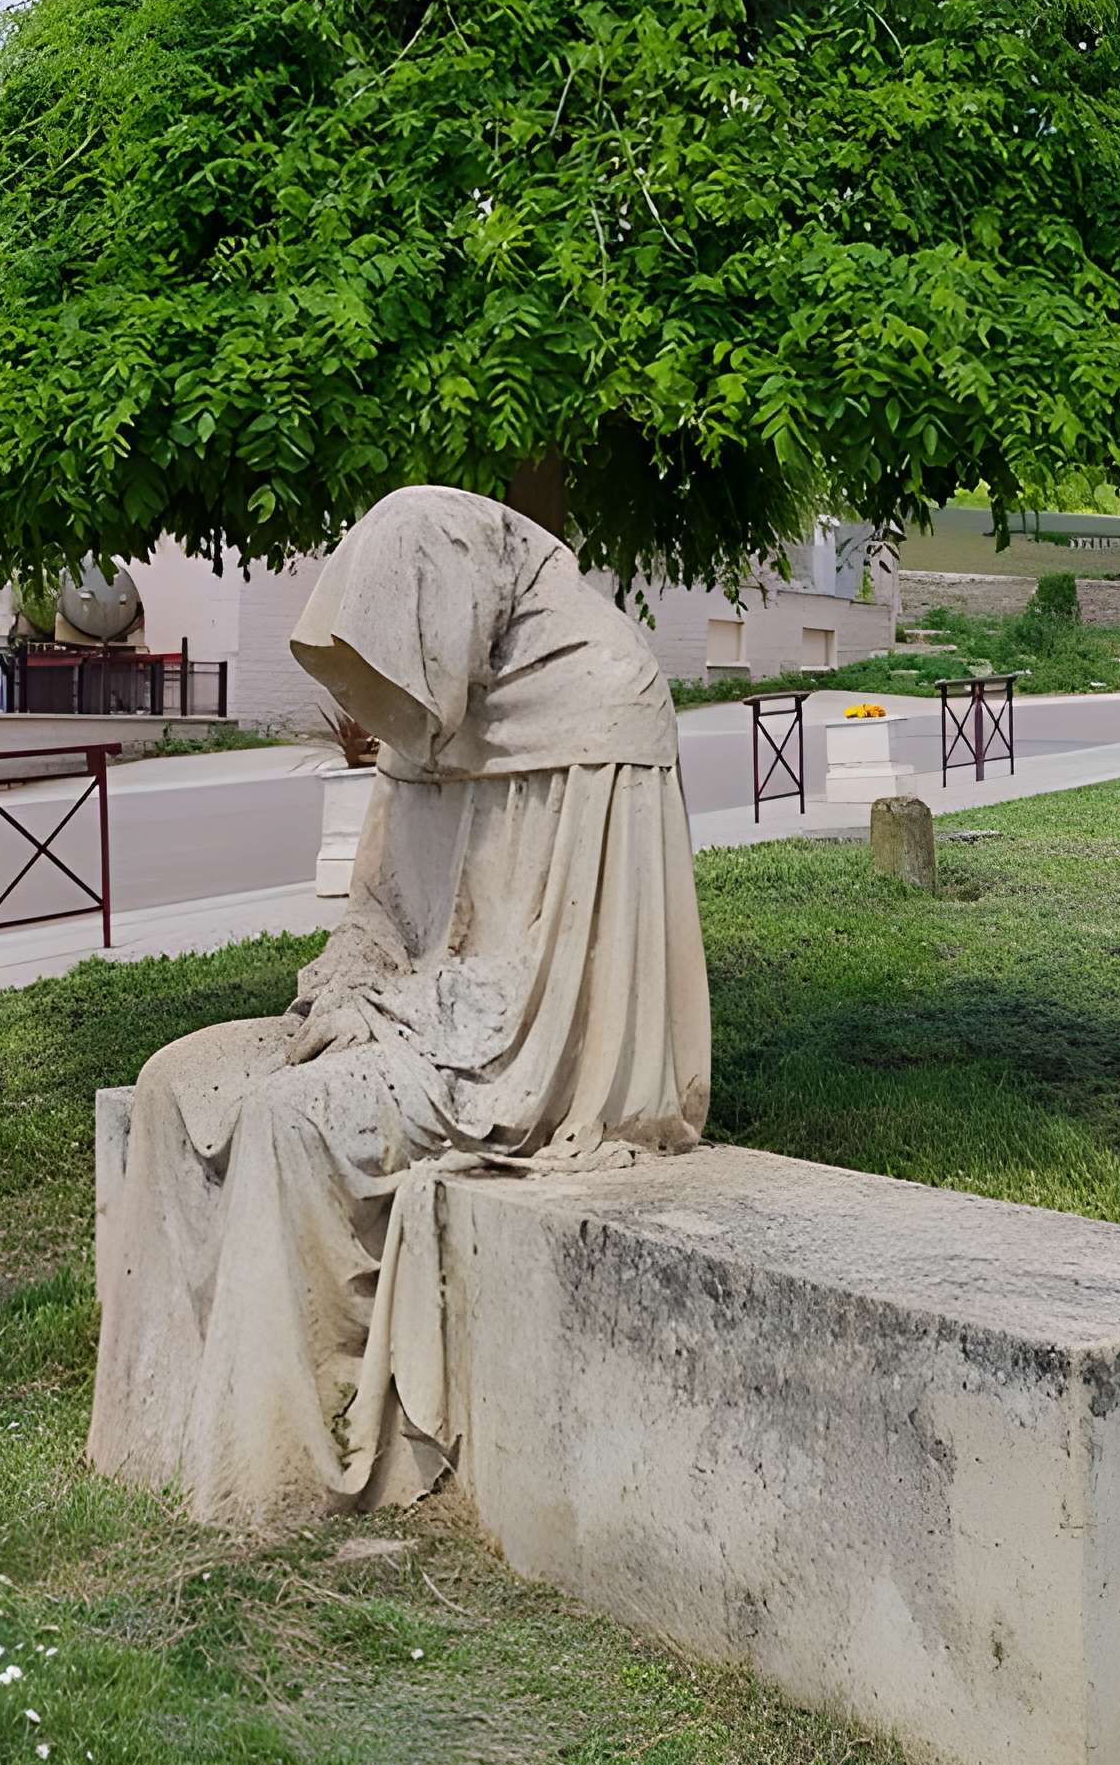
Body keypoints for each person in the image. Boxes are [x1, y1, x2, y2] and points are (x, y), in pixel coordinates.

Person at [87, 485, 711, 1530]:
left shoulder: (608, 696)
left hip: (509, 1053)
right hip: (414, 1012)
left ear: (450, 604)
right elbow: (381, 907)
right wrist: (348, 979)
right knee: (173, 1079)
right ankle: (165, 1432)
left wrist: (396, 1015)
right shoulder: (437, 699)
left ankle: (281, 1461)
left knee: (290, 1123)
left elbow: (561, 988)